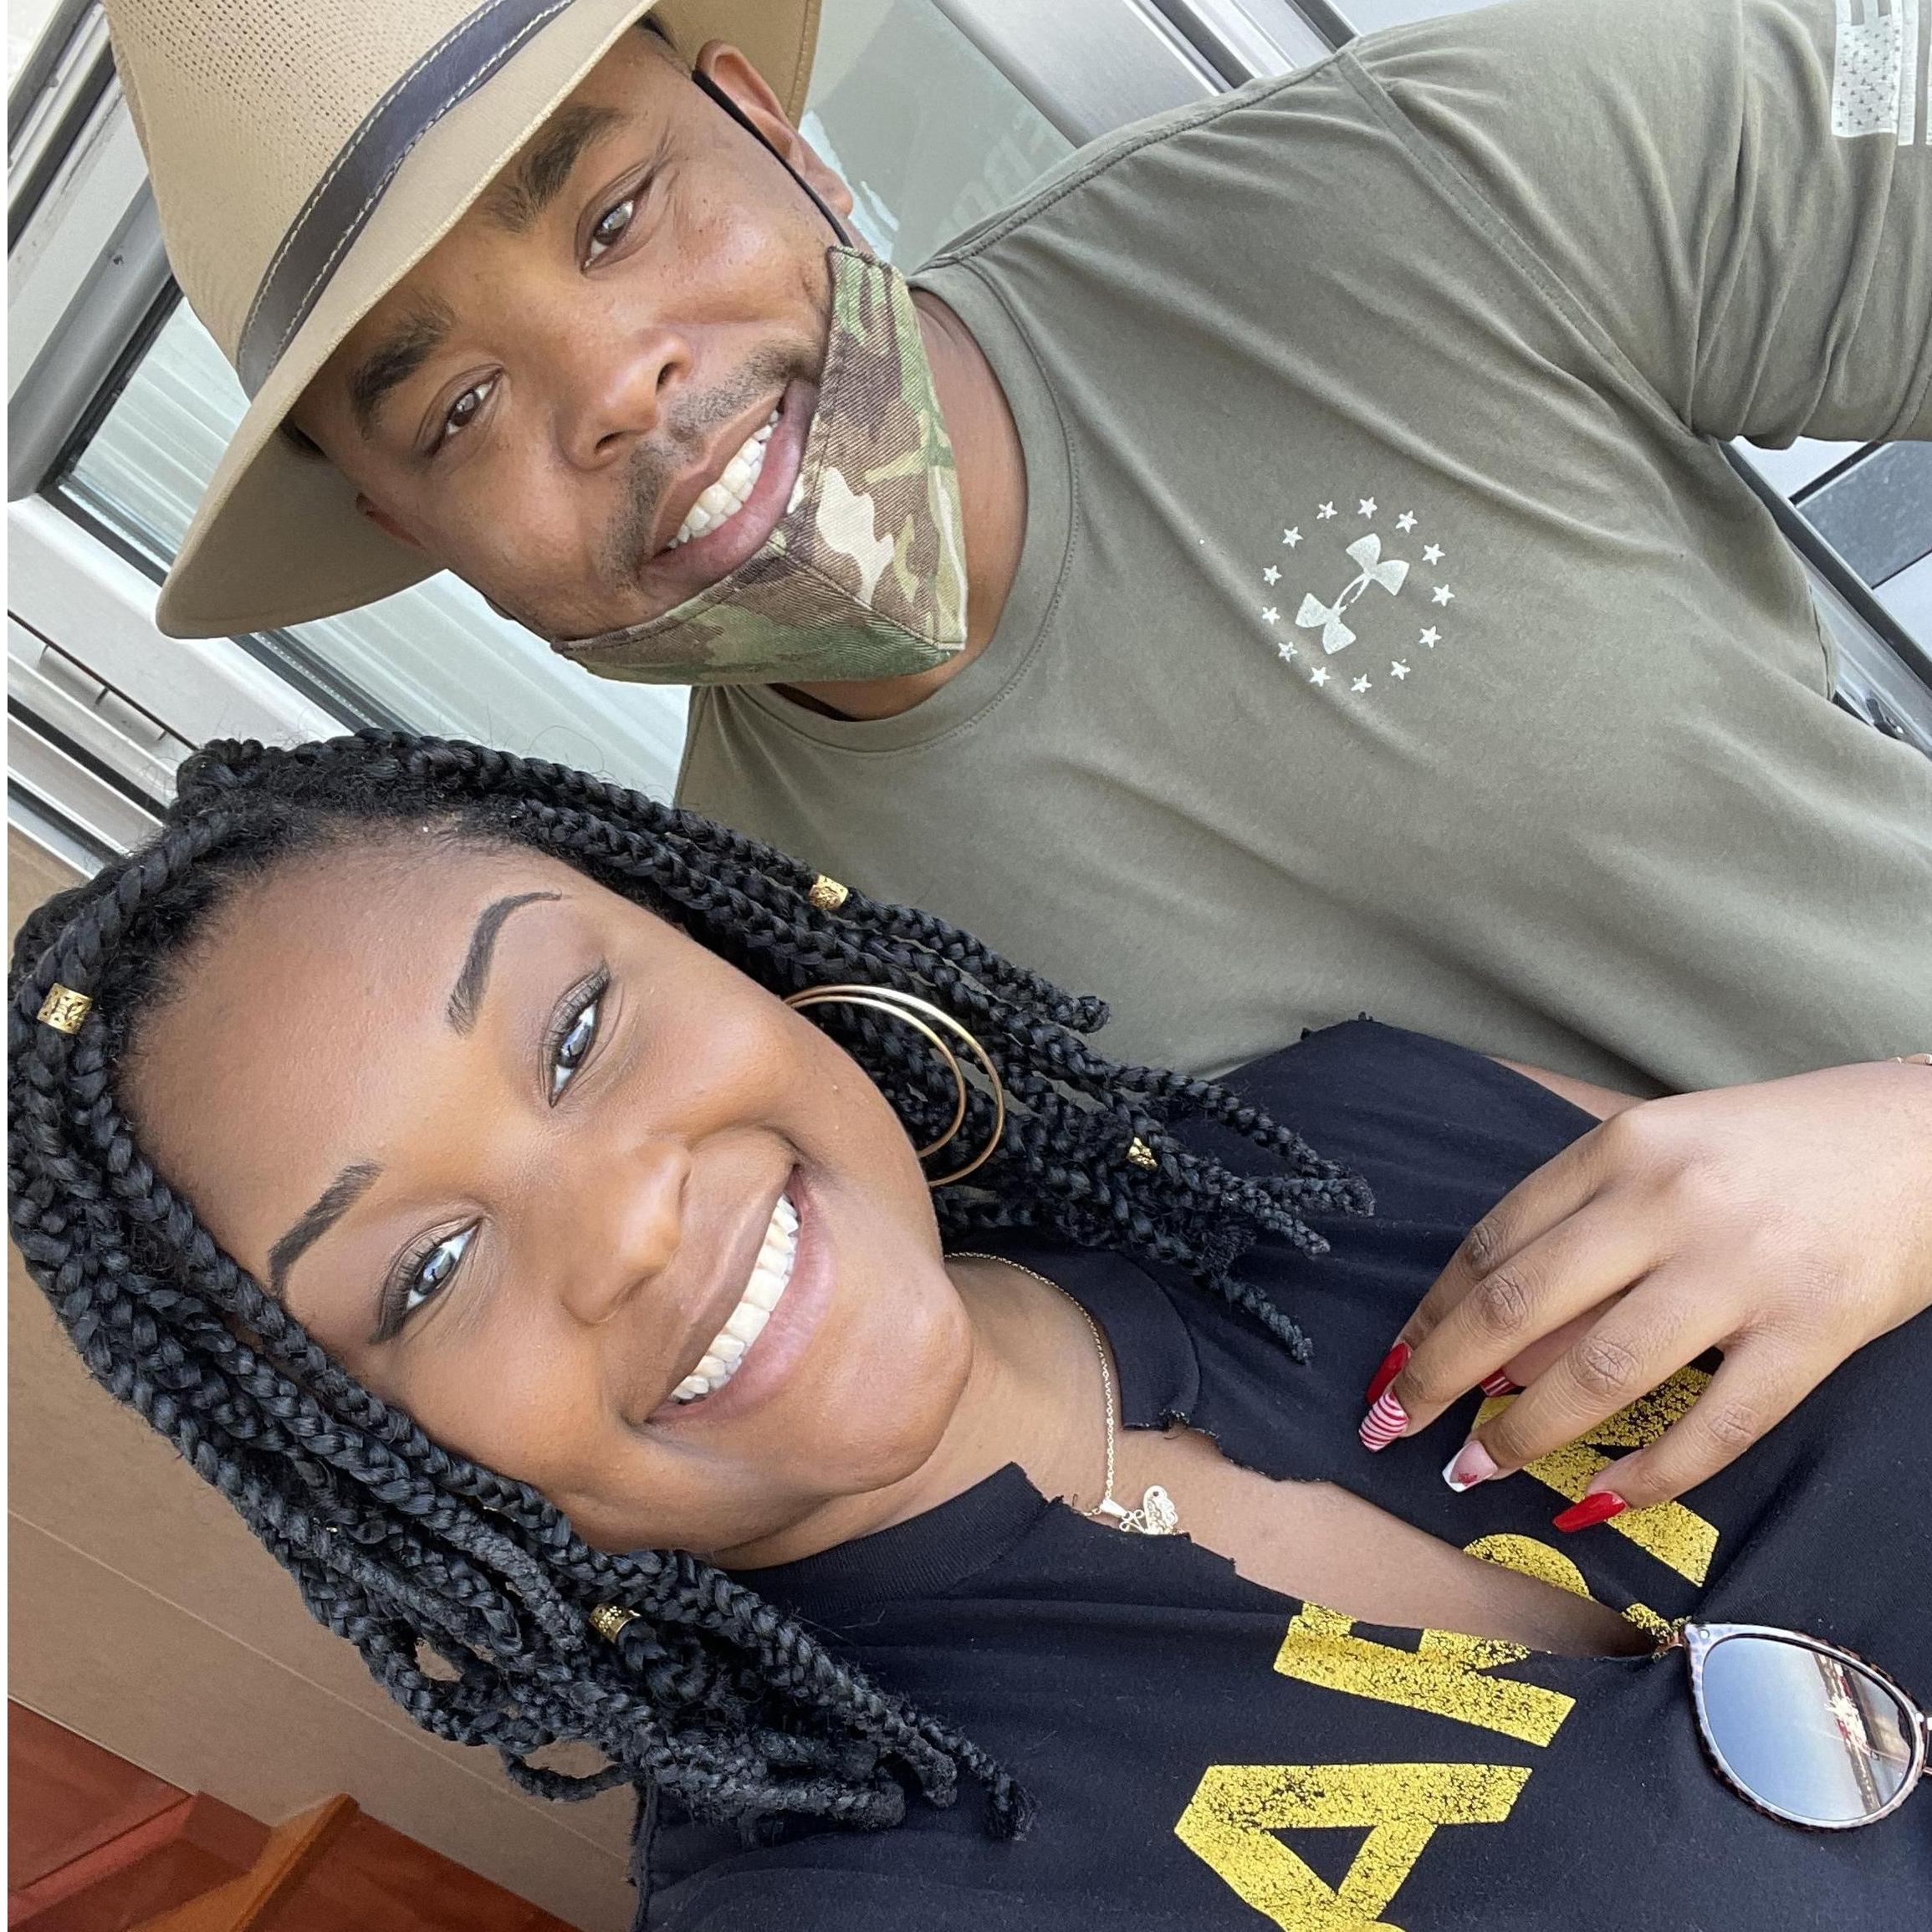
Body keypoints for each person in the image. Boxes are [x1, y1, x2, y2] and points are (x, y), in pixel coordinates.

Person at [103, 0, 1932, 1514]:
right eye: (460, 408)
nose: (616, 387)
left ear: (769, 125)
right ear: (408, 527)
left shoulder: (1401, 193)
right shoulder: (776, 1032)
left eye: (614, 216)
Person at [10, 733, 1929, 1931]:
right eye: (428, 1274)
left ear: (722, 949)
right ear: (381, 1465)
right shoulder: (858, 1897)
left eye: (580, 1032)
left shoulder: (1342, 1142)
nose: (630, 1222)